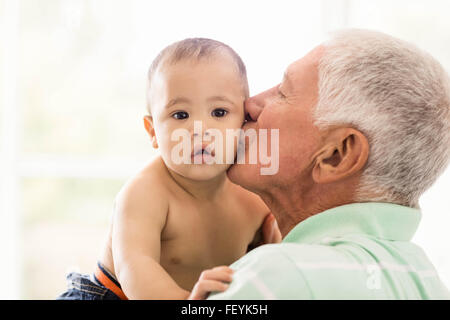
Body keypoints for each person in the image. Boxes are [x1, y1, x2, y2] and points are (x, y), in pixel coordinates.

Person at [208, 29, 450, 299]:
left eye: (283, 93)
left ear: (337, 155)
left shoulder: (277, 276)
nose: (250, 104)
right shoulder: (428, 281)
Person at [57, 38, 281, 300]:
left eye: (219, 112)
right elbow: (135, 270)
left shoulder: (255, 194)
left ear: (244, 121)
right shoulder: (145, 193)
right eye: (180, 115)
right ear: (152, 131)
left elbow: (278, 259)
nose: (200, 130)